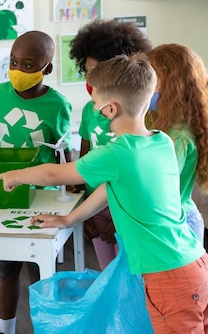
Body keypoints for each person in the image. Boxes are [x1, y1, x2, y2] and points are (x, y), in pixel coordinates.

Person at [0, 54, 208, 334]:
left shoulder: (116, 153)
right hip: (199, 263)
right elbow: (108, 188)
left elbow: (54, 174)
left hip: (170, 277)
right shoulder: (160, 141)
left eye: (95, 101)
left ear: (110, 109)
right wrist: (68, 219)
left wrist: (14, 176)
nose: (93, 106)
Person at [0, 30, 72, 334]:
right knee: (6, 267)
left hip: (41, 196)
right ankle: (7, 330)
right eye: (13, 62)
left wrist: (71, 186)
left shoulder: (58, 105)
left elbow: (64, 150)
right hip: (4, 191)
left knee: (41, 269)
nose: (18, 71)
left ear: (47, 69)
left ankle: (48, 328)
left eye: (28, 65)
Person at [69, 19, 152, 270]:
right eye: (88, 72)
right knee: (108, 275)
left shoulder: (139, 116)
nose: (91, 80)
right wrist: (86, 208)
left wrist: (115, 223)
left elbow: (141, 174)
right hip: (96, 206)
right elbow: (85, 157)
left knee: (132, 276)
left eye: (98, 72)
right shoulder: (89, 110)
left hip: (129, 209)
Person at [146, 44, 208, 244]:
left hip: (178, 225)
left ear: (173, 86)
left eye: (153, 83)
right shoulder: (163, 122)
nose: (148, 89)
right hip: (174, 220)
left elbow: (158, 183)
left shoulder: (178, 135)